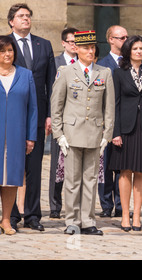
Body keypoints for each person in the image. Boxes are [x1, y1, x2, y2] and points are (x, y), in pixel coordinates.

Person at [51, 30, 115, 236]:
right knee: (72, 180)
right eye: (86, 47)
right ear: (76, 49)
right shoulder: (66, 72)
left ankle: (88, 220)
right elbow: (57, 105)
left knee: (91, 179)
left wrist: (107, 135)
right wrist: (58, 134)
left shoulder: (104, 73)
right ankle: (72, 220)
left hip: (94, 134)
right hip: (71, 134)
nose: (90, 51)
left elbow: (109, 108)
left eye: (93, 47)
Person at [7, 3, 56, 232]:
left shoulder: (44, 45)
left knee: (34, 167)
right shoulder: (4, 45)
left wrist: (49, 116)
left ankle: (33, 215)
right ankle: (11, 215)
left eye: (28, 16)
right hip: (11, 113)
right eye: (21, 16)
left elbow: (50, 84)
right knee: (12, 165)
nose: (26, 19)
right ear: (11, 21)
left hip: (37, 114)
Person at [109, 35, 142, 232]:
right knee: (125, 171)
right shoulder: (118, 73)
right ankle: (124, 215)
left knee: (141, 171)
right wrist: (116, 132)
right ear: (128, 51)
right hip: (125, 128)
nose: (139, 51)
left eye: (141, 48)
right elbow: (115, 104)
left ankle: (137, 215)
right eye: (135, 48)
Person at [0, 36, 38, 235]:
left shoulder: (25, 75)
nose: (7, 54)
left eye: (10, 50)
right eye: (3, 51)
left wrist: (30, 136)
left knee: (12, 178)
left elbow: (33, 108)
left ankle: (6, 220)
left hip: (16, 135)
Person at [97, 25, 128, 218]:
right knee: (106, 166)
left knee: (122, 165)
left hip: (126, 122)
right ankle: (106, 204)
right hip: (105, 122)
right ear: (111, 39)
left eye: (126, 37)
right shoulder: (102, 64)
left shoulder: (131, 63)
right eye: (121, 37)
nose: (125, 40)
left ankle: (121, 204)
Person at [49, 27, 78, 219]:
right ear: (64, 43)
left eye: (78, 42)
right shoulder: (55, 63)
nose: (75, 45)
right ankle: (54, 205)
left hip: (78, 122)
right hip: (60, 120)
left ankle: (74, 206)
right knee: (56, 164)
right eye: (72, 42)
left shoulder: (86, 63)